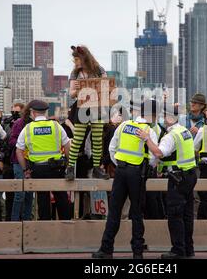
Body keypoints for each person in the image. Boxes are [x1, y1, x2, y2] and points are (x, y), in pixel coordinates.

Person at [92, 100, 158, 259]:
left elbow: (112, 148)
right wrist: (145, 168)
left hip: (120, 173)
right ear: (152, 115)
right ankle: (137, 252)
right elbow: (154, 157)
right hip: (138, 175)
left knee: (114, 212)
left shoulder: (124, 125)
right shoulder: (149, 130)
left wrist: (121, 164)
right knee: (136, 214)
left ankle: (106, 249)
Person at [137, 104, 197, 259]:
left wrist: (147, 139)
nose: (162, 118)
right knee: (187, 215)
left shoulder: (171, 135)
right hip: (190, 176)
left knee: (175, 215)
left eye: (164, 115)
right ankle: (188, 249)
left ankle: (178, 250)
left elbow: (159, 152)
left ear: (171, 118)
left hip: (178, 178)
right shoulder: (184, 131)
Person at [16, 100, 72, 220]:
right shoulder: (56, 126)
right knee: (61, 197)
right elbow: (67, 146)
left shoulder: (28, 128)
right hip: (56, 168)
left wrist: (25, 169)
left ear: (33, 113)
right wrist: (68, 164)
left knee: (42, 199)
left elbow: (18, 151)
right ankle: (66, 225)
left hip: (38, 170)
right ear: (45, 112)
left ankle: (45, 227)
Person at [65, 45, 109, 180]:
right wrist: (77, 90)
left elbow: (107, 88)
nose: (75, 63)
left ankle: (97, 168)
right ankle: (70, 168)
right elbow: (71, 94)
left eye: (77, 60)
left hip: (97, 106)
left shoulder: (99, 70)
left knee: (97, 138)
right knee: (78, 138)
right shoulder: (75, 73)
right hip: (82, 106)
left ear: (84, 58)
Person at [9, 103, 34, 221]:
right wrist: (22, 144)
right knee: (20, 193)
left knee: (29, 193)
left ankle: (27, 219)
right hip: (18, 161)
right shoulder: (19, 123)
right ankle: (14, 220)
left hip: (31, 161)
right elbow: (11, 140)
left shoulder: (35, 125)